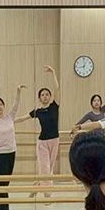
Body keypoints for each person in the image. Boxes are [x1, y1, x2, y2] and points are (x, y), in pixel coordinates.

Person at [16, 65, 60, 194]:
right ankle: (47, 192)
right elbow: (23, 118)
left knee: (49, 167)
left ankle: (38, 185)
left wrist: (53, 73)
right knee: (44, 167)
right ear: (39, 98)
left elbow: (57, 88)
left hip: (55, 140)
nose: (45, 96)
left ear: (50, 97)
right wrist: (8, 121)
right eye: (42, 95)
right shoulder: (38, 111)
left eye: (47, 94)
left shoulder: (54, 106)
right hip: (42, 142)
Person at [0, 85, 26, 210]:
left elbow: (16, 105)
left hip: (12, 152)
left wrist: (18, 91)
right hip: (0, 154)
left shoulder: (10, 117)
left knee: (6, 181)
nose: (0, 107)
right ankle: (1, 207)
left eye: (1, 104)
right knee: (1, 181)